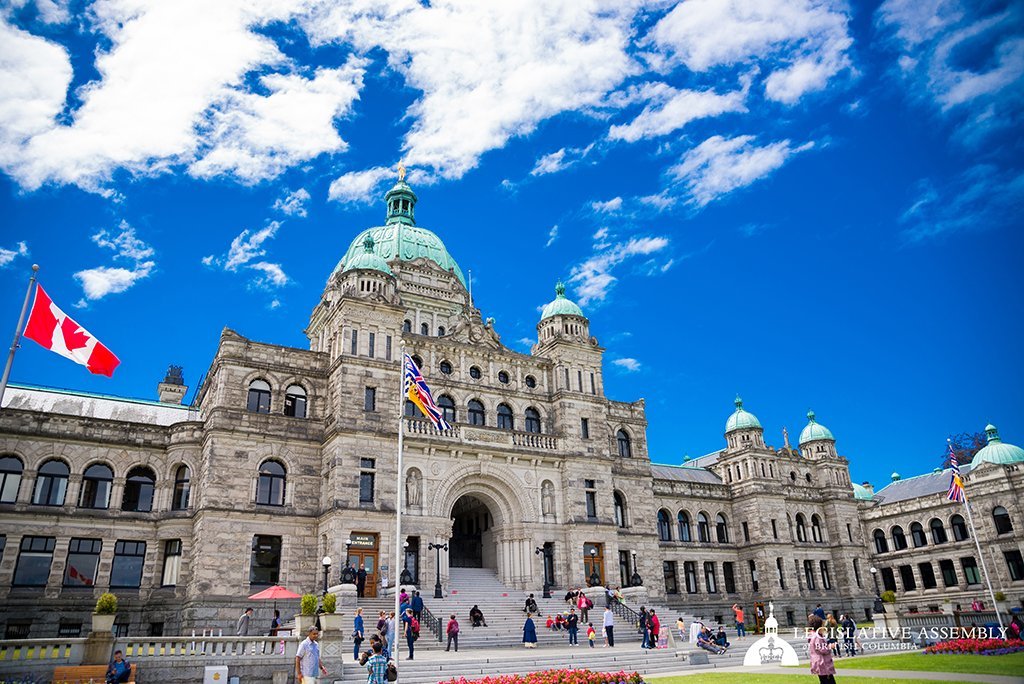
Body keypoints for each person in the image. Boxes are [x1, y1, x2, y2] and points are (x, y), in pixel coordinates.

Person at [808, 614, 836, 684]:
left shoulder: (813, 635)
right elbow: (821, 649)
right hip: (823, 664)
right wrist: (830, 646)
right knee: (829, 681)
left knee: (824, 681)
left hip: (819, 663)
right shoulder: (817, 636)